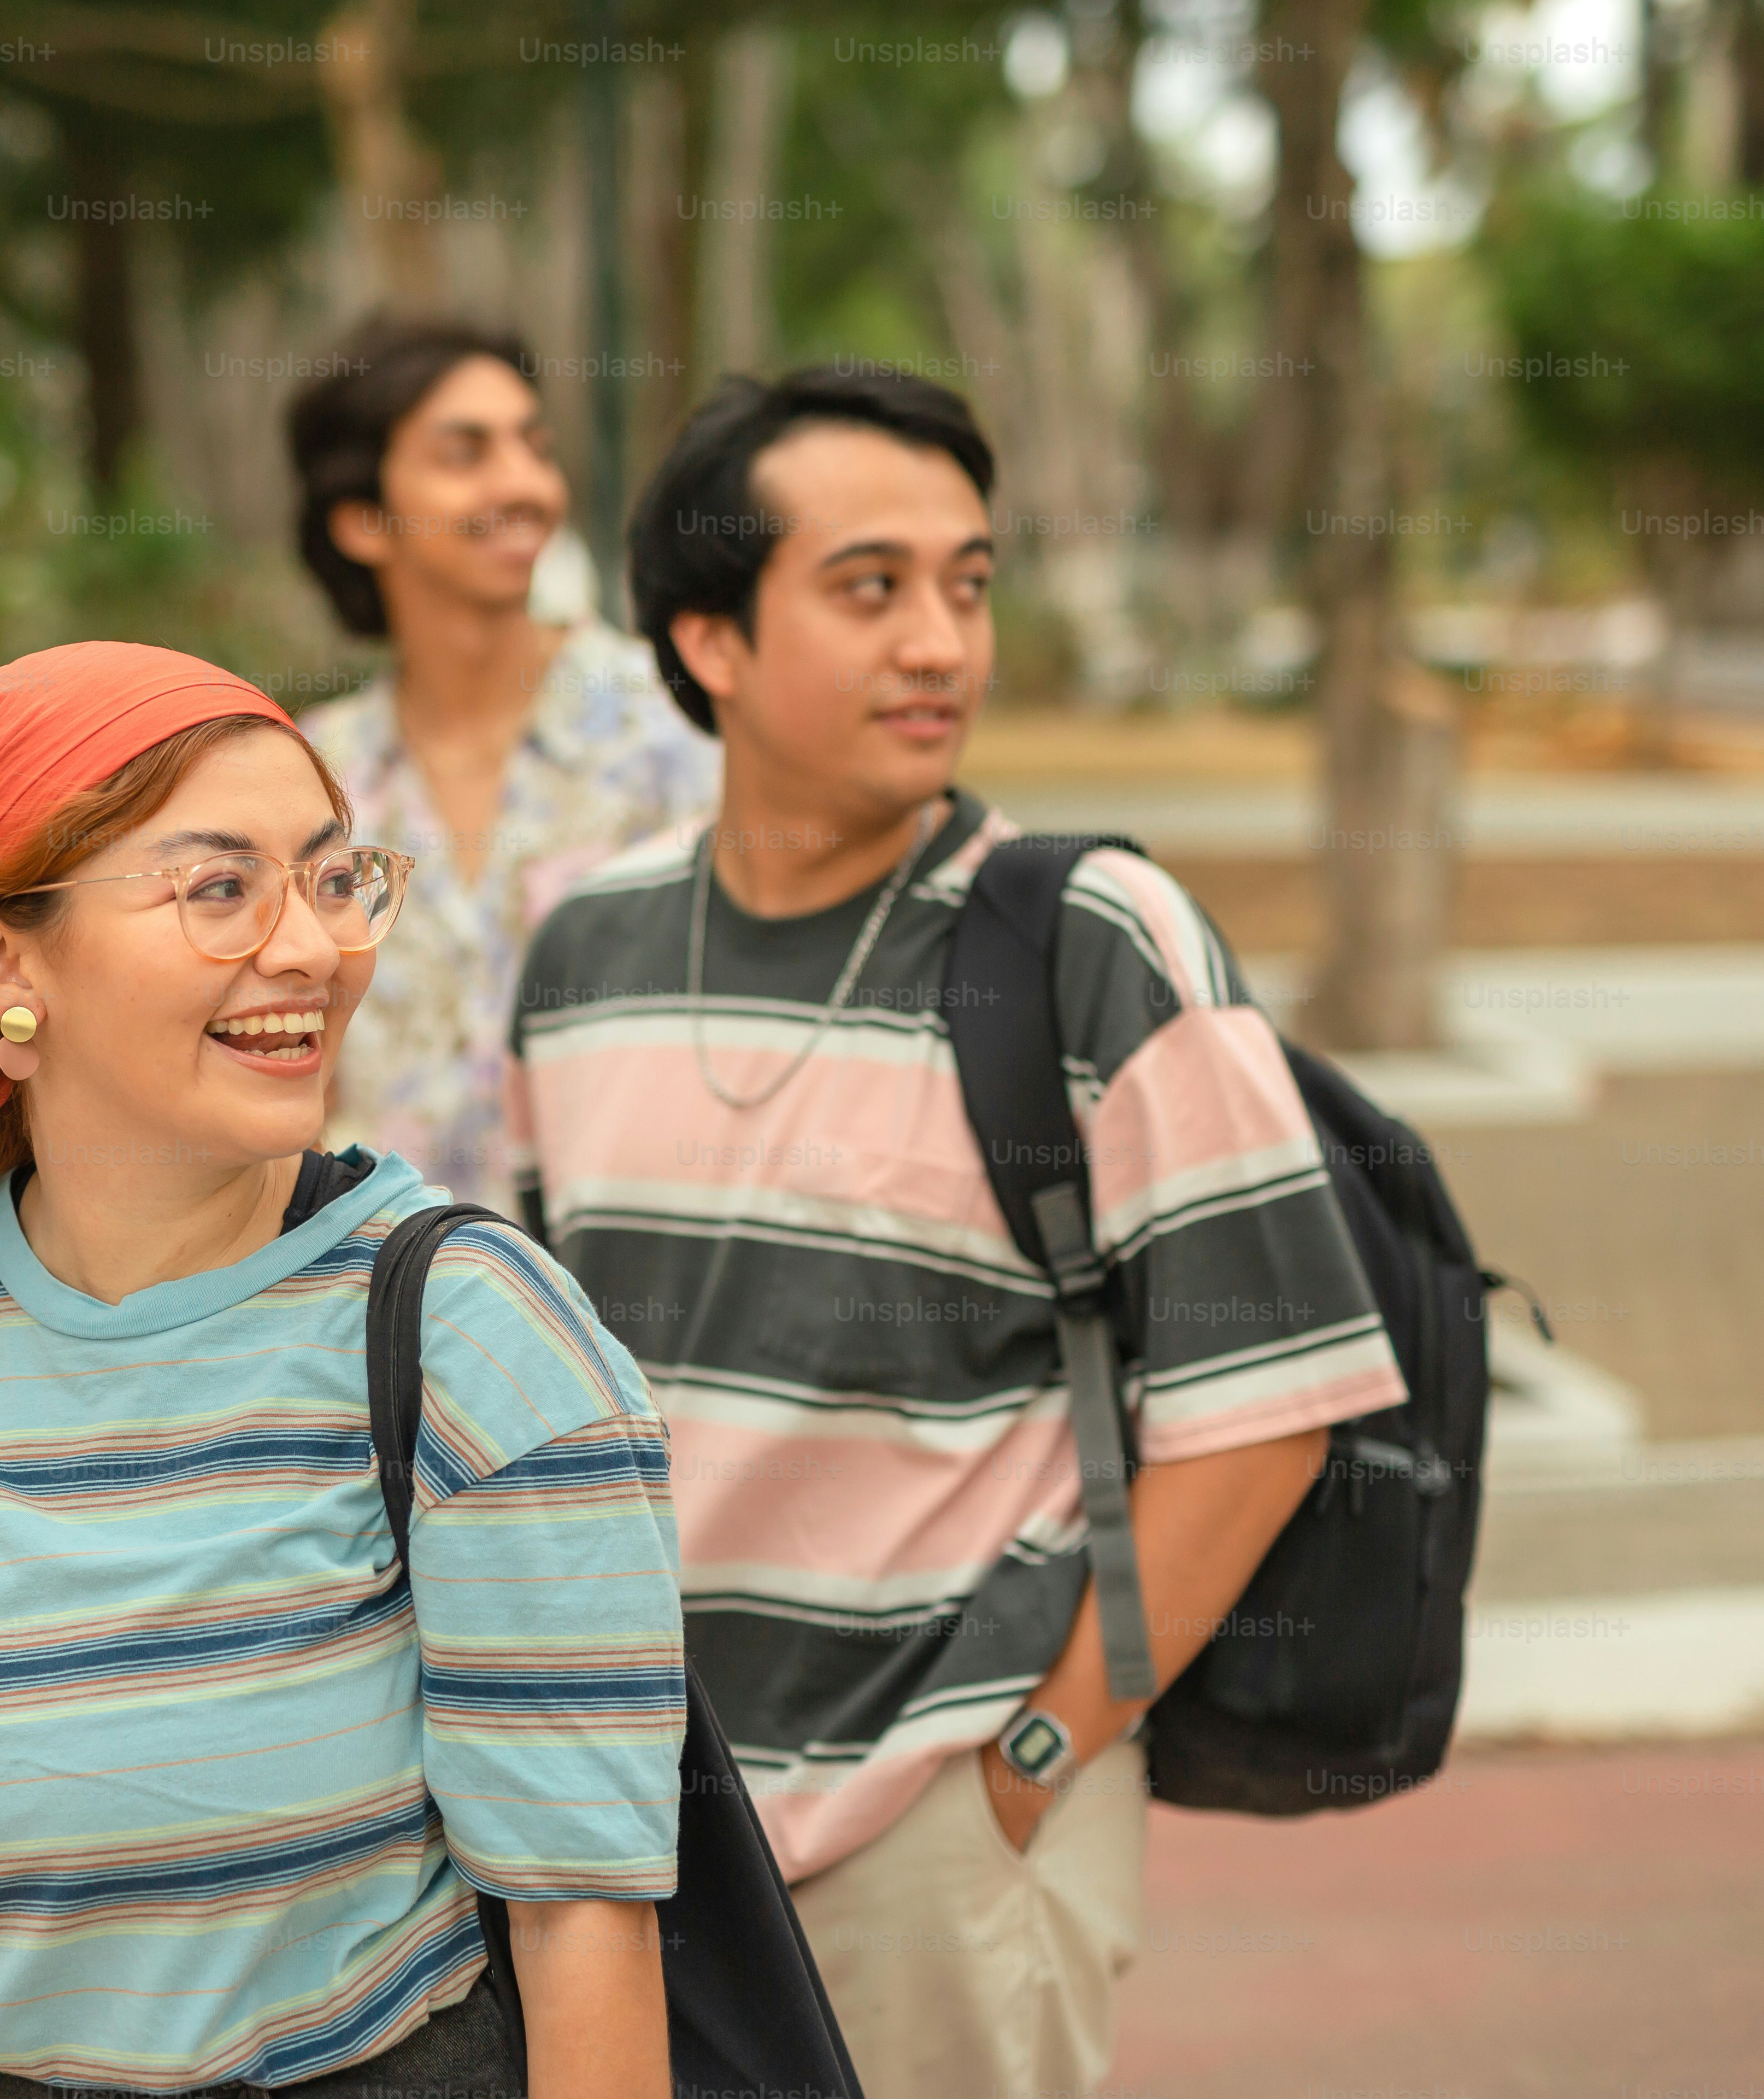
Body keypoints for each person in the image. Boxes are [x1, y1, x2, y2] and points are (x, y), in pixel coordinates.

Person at [505, 370, 1408, 2099]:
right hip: (630, 1837)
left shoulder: (1093, 939)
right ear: (709, 641)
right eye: (871, 589)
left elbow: (1271, 1407)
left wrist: (1043, 1751)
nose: (942, 643)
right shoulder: (582, 953)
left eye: (969, 584)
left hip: (939, 1815)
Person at [0, 642, 685, 2099]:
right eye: (220, 888)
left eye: (332, 877)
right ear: (1, 963)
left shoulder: (473, 1335)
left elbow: (582, 1915)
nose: (311, 948)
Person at [287, 316, 718, 1212]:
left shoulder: (676, 729)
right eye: (465, 453)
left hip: (628, 1312)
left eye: (536, 446)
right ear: (364, 521)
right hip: (374, 1309)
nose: (523, 484)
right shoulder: (308, 777)